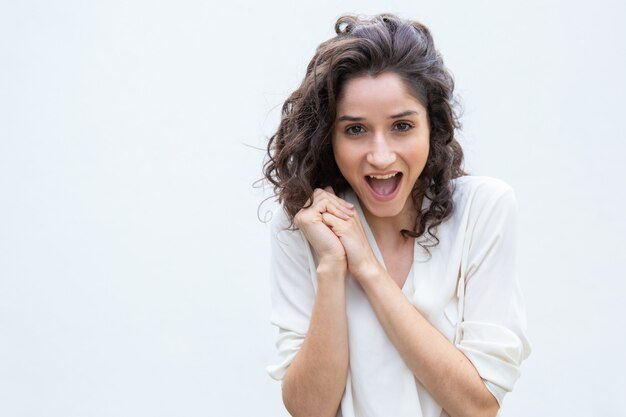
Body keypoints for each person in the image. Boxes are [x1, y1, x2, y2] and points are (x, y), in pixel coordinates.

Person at [263, 13, 531, 417]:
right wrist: (332, 267)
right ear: (328, 137)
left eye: (402, 126)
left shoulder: (483, 209)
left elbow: (477, 405)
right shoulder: (303, 226)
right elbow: (309, 409)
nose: (381, 155)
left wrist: (368, 269)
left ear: (433, 127)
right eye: (355, 130)